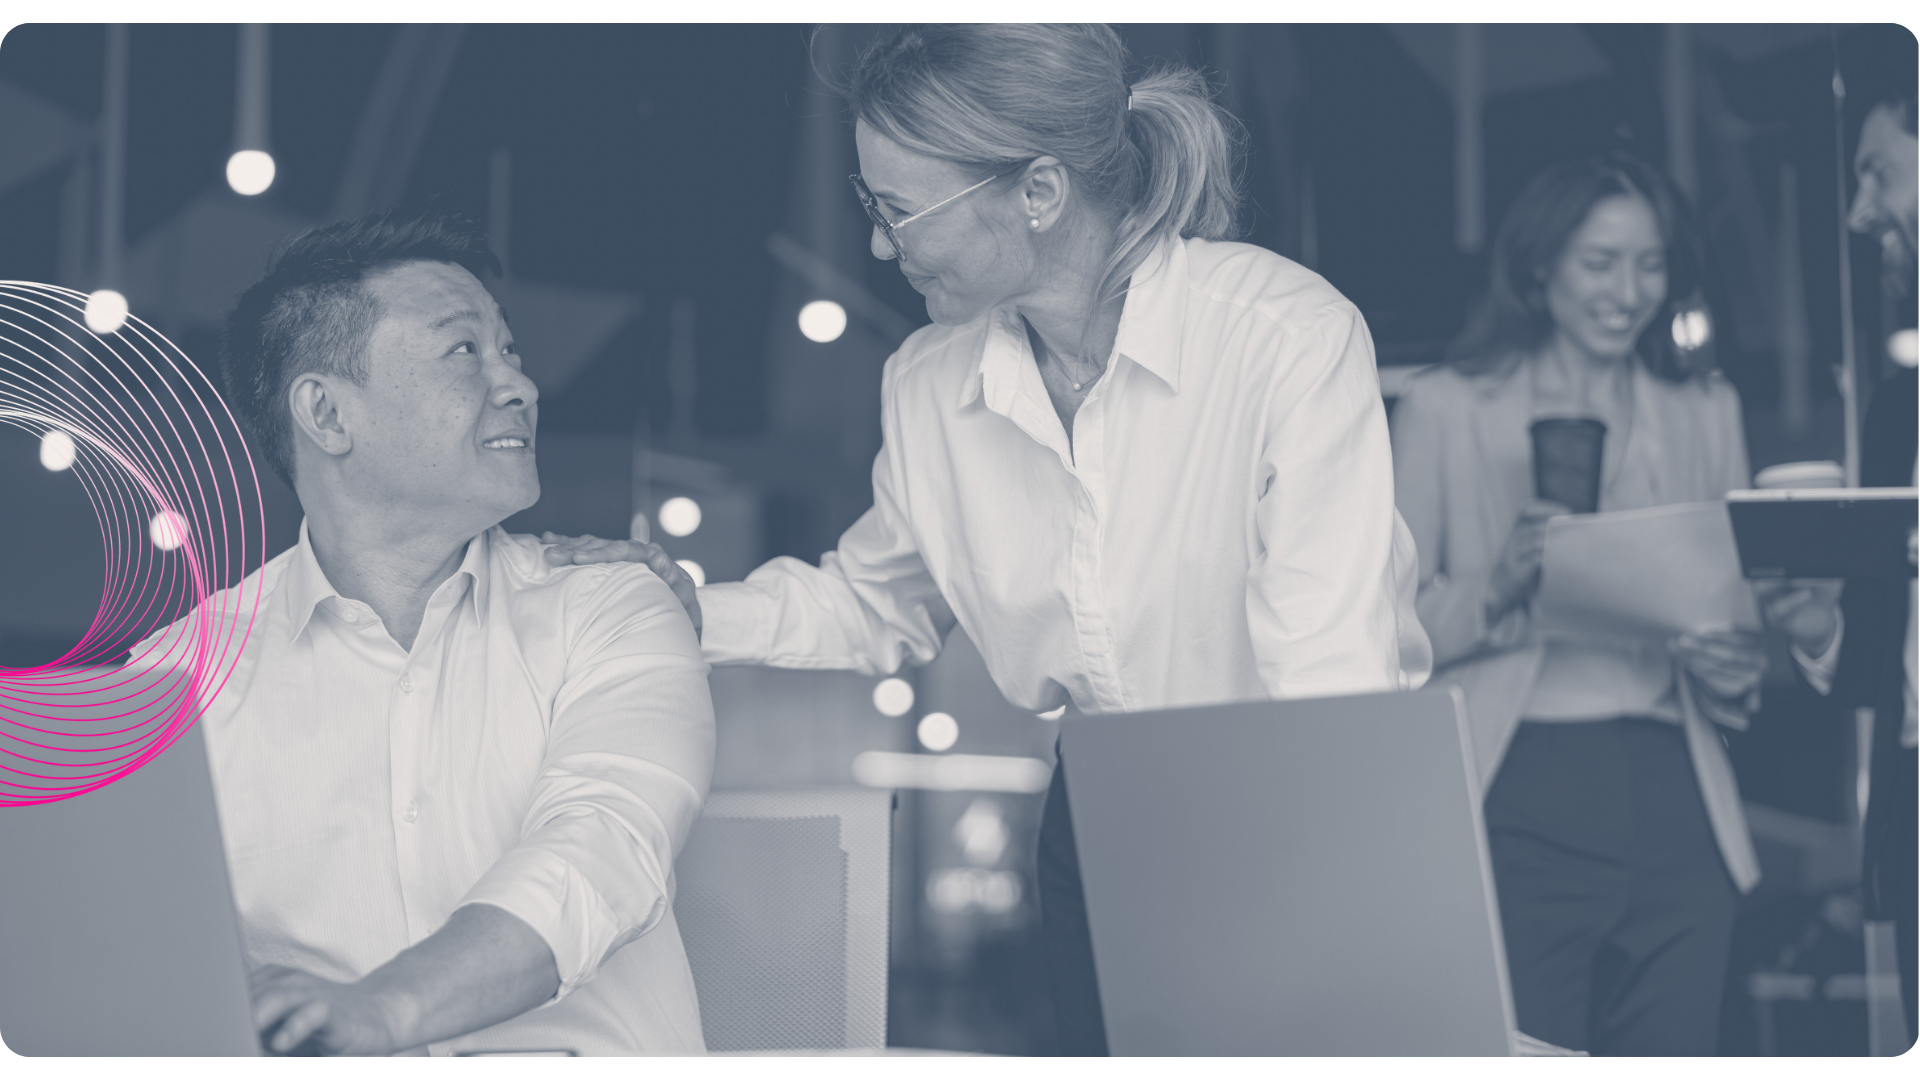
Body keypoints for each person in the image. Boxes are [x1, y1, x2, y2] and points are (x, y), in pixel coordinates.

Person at [547, 23, 1430, 1056]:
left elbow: (1331, 679)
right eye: (868, 202)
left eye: (898, 209)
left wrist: (1322, 916)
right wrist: (684, 609)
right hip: (1095, 812)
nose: (878, 243)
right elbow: (873, 603)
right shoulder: (929, 385)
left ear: (1039, 192)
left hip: (1292, 801)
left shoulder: (1281, 338)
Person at [128, 209, 714, 1055]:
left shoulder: (612, 608)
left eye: (508, 350)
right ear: (327, 415)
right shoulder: (177, 678)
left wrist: (385, 1011)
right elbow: (138, 948)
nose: (521, 385)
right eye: (464, 351)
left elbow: (603, 849)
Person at [1391, 153, 1767, 1056]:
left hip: (1676, 790)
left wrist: (1731, 661)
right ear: (1539, 267)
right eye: (1601, 262)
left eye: (1651, 263)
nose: (1628, 290)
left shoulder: (1705, 413)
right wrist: (1500, 583)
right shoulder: (1446, 409)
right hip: (1517, 788)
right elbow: (1381, 630)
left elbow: (1741, 625)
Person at [1760, 90, 1919, 1044]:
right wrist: (1819, 624)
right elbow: (1883, 665)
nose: (1860, 212)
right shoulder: (1899, 404)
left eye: (1880, 172)